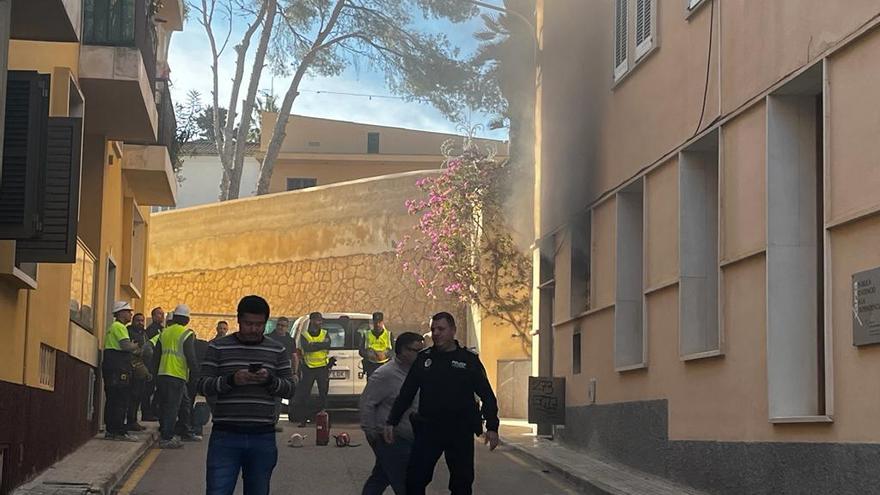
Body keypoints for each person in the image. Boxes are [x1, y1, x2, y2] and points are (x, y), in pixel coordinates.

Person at [385, 312, 500, 495]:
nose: (436, 333)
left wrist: (492, 427)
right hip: (429, 428)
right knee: (415, 479)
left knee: (461, 483)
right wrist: (392, 421)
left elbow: (486, 395)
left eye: (441, 329)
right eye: (433, 329)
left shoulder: (468, 360)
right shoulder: (424, 360)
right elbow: (406, 393)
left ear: (453, 330)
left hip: (460, 430)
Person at [197, 295, 294, 495]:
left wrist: (269, 381)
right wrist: (231, 380)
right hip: (225, 436)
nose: (254, 329)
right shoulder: (218, 347)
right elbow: (202, 386)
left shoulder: (277, 350)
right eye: (249, 323)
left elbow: (290, 389)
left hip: (263, 436)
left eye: (259, 324)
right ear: (238, 320)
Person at [360, 332, 425, 495]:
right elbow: (367, 403)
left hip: (412, 437)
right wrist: (371, 432)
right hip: (392, 438)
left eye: (422, 351)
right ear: (402, 350)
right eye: (415, 350)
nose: (420, 355)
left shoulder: (418, 372)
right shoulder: (385, 374)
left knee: (380, 477)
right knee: (405, 483)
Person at [155, 304, 200, 449]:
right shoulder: (186, 333)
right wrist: (196, 373)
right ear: (187, 319)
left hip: (162, 373)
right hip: (177, 374)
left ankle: (183, 430)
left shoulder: (164, 332)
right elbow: (191, 356)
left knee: (178, 404)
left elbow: (156, 355)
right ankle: (167, 437)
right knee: (172, 407)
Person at [102, 301, 140, 441]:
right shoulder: (119, 327)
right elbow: (125, 346)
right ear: (120, 313)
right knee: (120, 399)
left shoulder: (115, 327)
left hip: (113, 366)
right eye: (128, 311)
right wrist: (135, 346)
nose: (130, 314)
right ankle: (118, 431)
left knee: (113, 399)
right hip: (118, 368)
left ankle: (111, 430)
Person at [291, 312, 331, 427]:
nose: (319, 322)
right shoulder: (304, 334)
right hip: (309, 368)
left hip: (322, 367)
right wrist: (320, 344)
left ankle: (323, 420)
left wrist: (315, 345)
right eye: (317, 320)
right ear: (312, 321)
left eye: (320, 320)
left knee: (323, 394)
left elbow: (327, 345)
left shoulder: (325, 333)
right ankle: (304, 419)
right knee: (305, 395)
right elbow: (307, 348)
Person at [268, 317, 297, 428]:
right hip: (269, 371)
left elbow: (294, 357)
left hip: (282, 373)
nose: (280, 327)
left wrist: (294, 373)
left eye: (283, 326)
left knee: (278, 398)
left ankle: (273, 423)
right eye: (279, 325)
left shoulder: (290, 340)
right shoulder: (269, 338)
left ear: (287, 327)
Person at [125, 313, 149, 432]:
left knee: (138, 396)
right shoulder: (128, 332)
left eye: (142, 320)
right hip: (131, 368)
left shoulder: (144, 334)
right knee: (132, 397)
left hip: (142, 369)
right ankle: (130, 421)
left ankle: (133, 420)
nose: (140, 323)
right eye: (138, 320)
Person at [141, 307, 165, 421]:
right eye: (159, 314)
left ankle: (154, 411)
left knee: (156, 390)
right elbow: (149, 348)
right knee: (148, 390)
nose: (162, 316)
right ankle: (147, 413)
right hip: (151, 364)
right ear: (154, 316)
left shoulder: (161, 329)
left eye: (163, 314)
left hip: (157, 364)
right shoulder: (152, 330)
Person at [360, 312, 393, 378]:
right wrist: (370, 355)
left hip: (385, 367)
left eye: (379, 322)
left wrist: (385, 355)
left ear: (382, 322)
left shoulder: (389, 335)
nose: (377, 325)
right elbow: (361, 351)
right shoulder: (367, 335)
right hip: (371, 367)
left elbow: (395, 351)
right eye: (375, 323)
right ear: (373, 322)